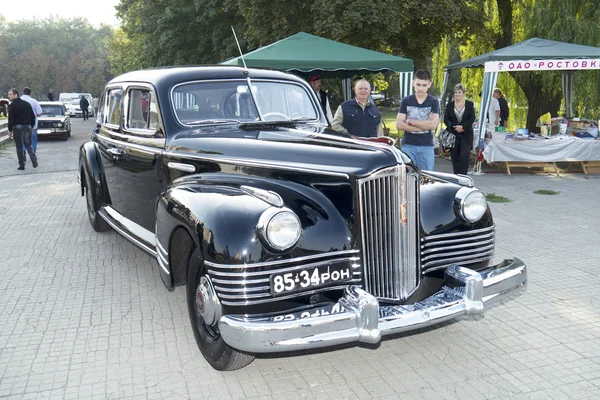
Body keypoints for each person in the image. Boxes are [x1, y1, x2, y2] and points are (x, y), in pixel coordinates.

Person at [396, 69, 439, 171]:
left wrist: (410, 122)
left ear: (429, 84)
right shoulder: (406, 101)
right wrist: (425, 124)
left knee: (427, 178)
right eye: (418, 84)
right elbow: (399, 125)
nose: (420, 88)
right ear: (413, 83)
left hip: (426, 146)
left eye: (424, 85)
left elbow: (433, 126)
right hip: (408, 145)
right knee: (408, 177)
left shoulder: (433, 102)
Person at [444, 83, 476, 175]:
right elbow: (446, 119)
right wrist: (455, 127)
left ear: (463, 93)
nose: (457, 94)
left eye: (459, 92)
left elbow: (472, 118)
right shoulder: (450, 105)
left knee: (464, 156)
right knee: (455, 158)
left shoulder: (469, 105)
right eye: (456, 92)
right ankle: (456, 177)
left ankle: (463, 177)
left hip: (466, 134)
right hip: (453, 135)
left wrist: (463, 127)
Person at [7, 88, 38, 170]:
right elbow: (32, 116)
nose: (8, 96)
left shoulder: (12, 105)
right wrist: (32, 125)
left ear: (15, 94)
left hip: (17, 127)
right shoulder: (27, 104)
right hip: (27, 126)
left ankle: (22, 164)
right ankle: (33, 158)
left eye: (10, 94)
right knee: (28, 144)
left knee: (19, 146)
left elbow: (11, 119)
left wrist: (10, 129)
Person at [21, 87, 42, 156]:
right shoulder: (34, 101)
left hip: (20, 124)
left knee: (22, 139)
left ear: (22, 92)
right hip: (32, 125)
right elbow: (39, 114)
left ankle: (23, 152)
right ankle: (32, 154)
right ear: (30, 93)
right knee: (33, 139)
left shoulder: (18, 101)